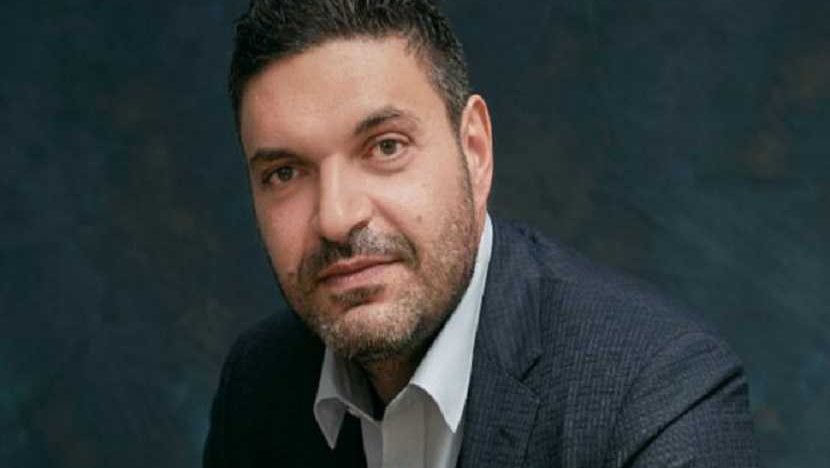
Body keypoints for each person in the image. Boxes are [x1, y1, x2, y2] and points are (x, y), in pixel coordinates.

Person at [204, 1, 760, 467]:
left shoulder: (657, 393)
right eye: (285, 173)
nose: (335, 217)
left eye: (386, 147)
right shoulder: (259, 384)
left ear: (474, 151)